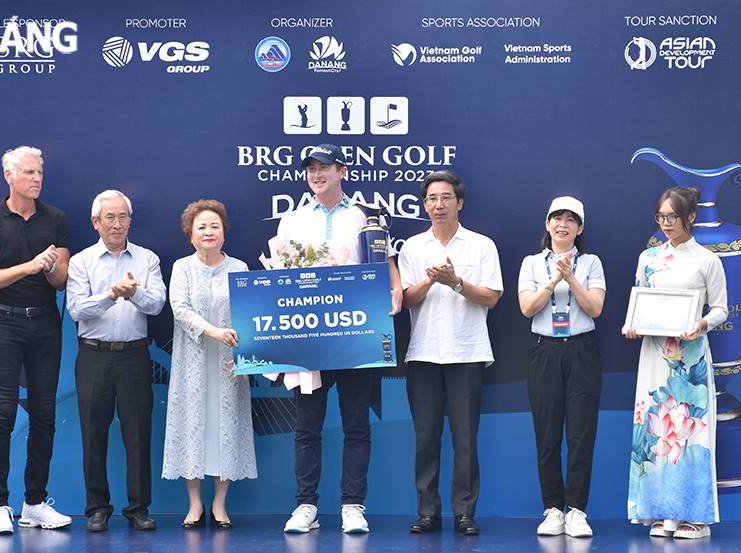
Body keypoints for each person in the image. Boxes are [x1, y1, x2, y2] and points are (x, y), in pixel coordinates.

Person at [277, 144, 402, 534]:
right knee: (307, 425)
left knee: (356, 423)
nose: (317, 174)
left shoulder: (367, 215)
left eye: (324, 167)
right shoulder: (292, 220)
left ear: (342, 171)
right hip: (309, 334)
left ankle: (352, 505)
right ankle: (305, 507)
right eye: (311, 168)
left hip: (356, 332)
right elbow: (281, 275)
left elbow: (386, 262)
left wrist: (395, 291)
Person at [0, 145, 72, 534]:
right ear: (9, 176)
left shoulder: (56, 219)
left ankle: (33, 503)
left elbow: (61, 279)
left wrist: (46, 269)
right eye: (29, 173)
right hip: (3, 323)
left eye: (40, 173)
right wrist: (29, 266)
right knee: (4, 412)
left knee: (45, 414)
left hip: (46, 323)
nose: (36, 179)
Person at [400, 171, 502, 536]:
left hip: (467, 351)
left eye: (445, 197)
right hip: (424, 353)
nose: (438, 205)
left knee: (465, 440)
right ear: (424, 204)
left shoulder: (481, 245)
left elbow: (492, 296)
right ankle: (427, 512)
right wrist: (431, 279)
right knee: (425, 438)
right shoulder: (412, 247)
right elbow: (405, 300)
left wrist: (456, 282)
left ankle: (464, 513)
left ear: (459, 202)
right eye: (431, 198)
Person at [623, 186, 726, 539]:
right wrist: (632, 324)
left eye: (673, 217)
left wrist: (701, 324)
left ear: (691, 218)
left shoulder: (707, 260)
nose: (666, 224)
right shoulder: (648, 258)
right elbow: (639, 299)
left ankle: (694, 518)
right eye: (661, 217)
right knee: (655, 430)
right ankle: (658, 512)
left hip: (691, 357)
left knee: (690, 434)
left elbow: (721, 309)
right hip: (654, 354)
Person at [66, 190, 166, 531]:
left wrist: (134, 292)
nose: (117, 224)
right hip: (93, 355)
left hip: (136, 355)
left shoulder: (147, 259)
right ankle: (97, 508)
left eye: (123, 217)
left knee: (139, 433)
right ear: (96, 222)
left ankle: (139, 509)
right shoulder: (81, 261)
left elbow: (156, 305)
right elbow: (76, 309)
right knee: (93, 433)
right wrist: (111, 296)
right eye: (109, 217)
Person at [162, 199, 257, 530]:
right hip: (193, 363)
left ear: (224, 233)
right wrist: (213, 331)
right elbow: (180, 308)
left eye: (214, 226)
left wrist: (246, 352)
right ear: (190, 234)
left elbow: (250, 315)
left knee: (224, 430)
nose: (208, 231)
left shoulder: (240, 268)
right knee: (192, 428)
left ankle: (219, 504)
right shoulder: (182, 267)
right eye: (201, 226)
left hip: (229, 365)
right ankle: (195, 504)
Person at [518, 196, 606, 538]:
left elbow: (595, 308)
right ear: (547, 224)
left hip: (583, 349)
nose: (563, 224)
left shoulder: (592, 263)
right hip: (544, 351)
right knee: (548, 434)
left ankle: (577, 511)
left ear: (580, 228)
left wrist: (572, 278)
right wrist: (554, 280)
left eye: (571, 220)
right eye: (557, 218)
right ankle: (553, 509)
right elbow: (527, 308)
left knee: (582, 434)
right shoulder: (531, 263)